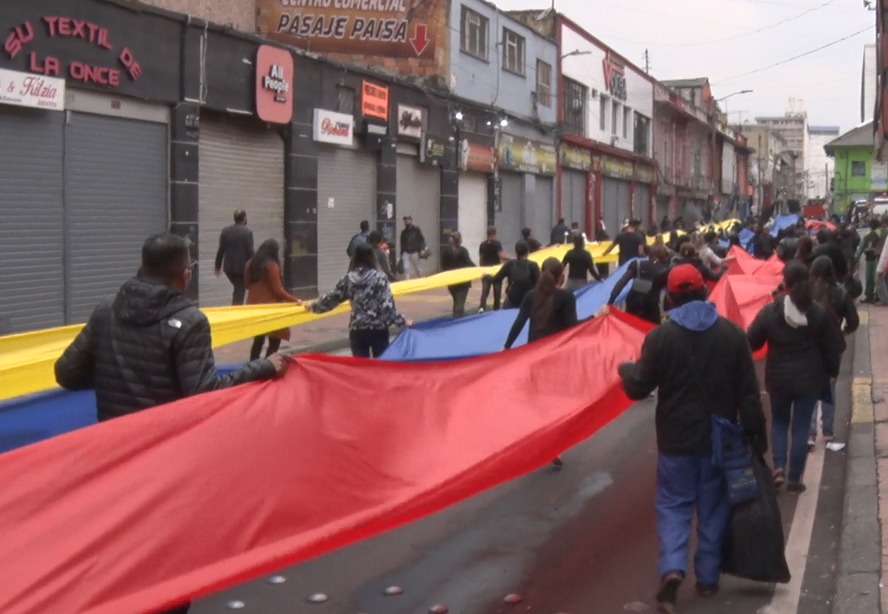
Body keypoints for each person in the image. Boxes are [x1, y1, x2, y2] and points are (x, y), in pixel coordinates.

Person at [55, 235, 287, 614]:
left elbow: (66, 372)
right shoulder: (190, 322)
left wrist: (110, 371)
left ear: (141, 266)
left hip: (114, 459)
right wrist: (264, 367)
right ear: (184, 276)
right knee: (166, 563)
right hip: (167, 466)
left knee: (123, 552)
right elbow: (204, 393)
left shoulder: (105, 311)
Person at [617, 264, 766, 614]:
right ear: (703, 293)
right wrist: (757, 438)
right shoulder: (732, 336)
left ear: (670, 298)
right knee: (713, 509)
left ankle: (672, 569)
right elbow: (748, 395)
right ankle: (708, 578)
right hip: (720, 442)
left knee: (673, 506)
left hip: (675, 441)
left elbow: (639, 387)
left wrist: (625, 370)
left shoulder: (660, 339)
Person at [747, 261, 844, 493]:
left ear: (785, 283)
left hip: (777, 378)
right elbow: (832, 346)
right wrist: (832, 372)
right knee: (801, 427)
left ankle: (778, 466)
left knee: (779, 423)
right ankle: (794, 478)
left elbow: (752, 340)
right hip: (809, 379)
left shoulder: (770, 311)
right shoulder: (818, 312)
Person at [312, 244, 412, 358]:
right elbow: (387, 307)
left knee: (360, 367)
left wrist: (313, 306)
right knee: (381, 366)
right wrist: (403, 321)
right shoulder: (380, 278)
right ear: (372, 258)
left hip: (357, 329)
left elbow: (332, 298)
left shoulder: (348, 279)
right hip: (378, 329)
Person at [807, 255, 859, 447]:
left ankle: (810, 433)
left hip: (810, 345)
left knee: (811, 386)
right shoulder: (841, 292)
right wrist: (843, 331)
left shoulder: (807, 292)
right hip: (833, 344)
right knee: (830, 385)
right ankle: (827, 430)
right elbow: (853, 321)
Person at [245, 239, 302, 361]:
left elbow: (247, 285)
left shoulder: (250, 263)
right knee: (275, 338)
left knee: (258, 339)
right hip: (270, 307)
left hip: (253, 306)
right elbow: (278, 291)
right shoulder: (271, 266)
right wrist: (295, 300)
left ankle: (253, 365)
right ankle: (268, 365)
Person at [607, 245, 671, 324]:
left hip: (633, 303)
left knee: (630, 330)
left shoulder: (637, 264)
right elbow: (669, 293)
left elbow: (622, 282)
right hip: (651, 306)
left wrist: (610, 302)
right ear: (663, 258)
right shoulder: (664, 271)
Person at [214, 209, 254, 305]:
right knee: (239, 293)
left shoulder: (225, 231)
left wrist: (217, 266)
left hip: (229, 268)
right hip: (241, 269)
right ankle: (236, 312)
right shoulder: (247, 232)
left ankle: (236, 309)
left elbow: (221, 250)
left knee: (238, 290)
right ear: (244, 219)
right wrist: (255, 265)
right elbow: (250, 251)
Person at [492, 241, 541, 309]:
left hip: (512, 299)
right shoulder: (533, 265)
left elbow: (496, 279)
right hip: (528, 300)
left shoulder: (510, 264)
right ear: (527, 252)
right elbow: (539, 283)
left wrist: (486, 276)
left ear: (516, 252)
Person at [441, 231, 476, 317]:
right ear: (459, 240)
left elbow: (443, 267)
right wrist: (479, 269)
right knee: (460, 304)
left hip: (451, 281)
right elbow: (469, 263)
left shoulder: (445, 252)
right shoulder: (463, 251)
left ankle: (455, 318)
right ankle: (459, 320)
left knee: (456, 301)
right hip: (463, 281)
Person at [478, 226, 510, 312]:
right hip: (496, 270)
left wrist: (481, 270)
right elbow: (501, 256)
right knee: (497, 290)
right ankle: (496, 309)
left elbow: (481, 258)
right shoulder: (497, 243)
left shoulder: (482, 244)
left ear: (487, 233)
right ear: (495, 233)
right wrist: (512, 259)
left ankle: (482, 307)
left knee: (485, 291)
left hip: (486, 269)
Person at [856, 219, 882, 303]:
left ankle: (869, 296)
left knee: (869, 278)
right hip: (879, 259)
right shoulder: (882, 233)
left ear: (870, 226)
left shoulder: (867, 235)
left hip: (869, 259)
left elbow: (861, 248)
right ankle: (877, 296)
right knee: (878, 278)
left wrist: (856, 258)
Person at [400, 215, 427, 280]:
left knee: (417, 268)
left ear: (411, 221)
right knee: (406, 268)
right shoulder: (403, 232)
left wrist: (422, 249)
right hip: (406, 252)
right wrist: (401, 253)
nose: (406, 222)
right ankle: (407, 283)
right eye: (405, 221)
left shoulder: (416, 230)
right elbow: (402, 243)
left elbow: (422, 240)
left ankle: (421, 281)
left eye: (407, 220)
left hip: (414, 251)